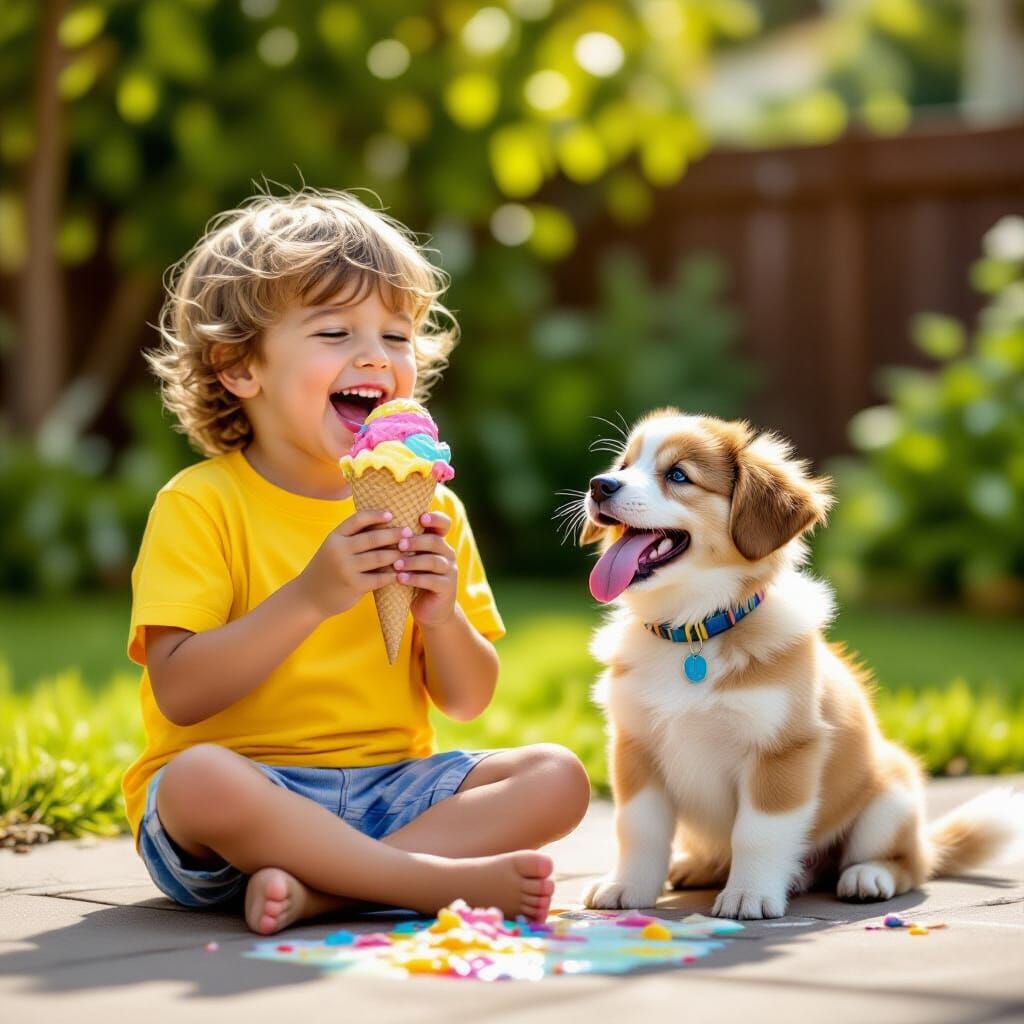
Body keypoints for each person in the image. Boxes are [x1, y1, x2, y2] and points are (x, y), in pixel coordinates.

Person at [121, 187, 591, 935]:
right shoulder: (201, 503)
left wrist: (441, 620)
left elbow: (468, 701)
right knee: (195, 781)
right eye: (335, 331)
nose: (375, 355)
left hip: (392, 790)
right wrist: (310, 596)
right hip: (250, 795)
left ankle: (326, 892)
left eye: (397, 337)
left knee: (557, 776)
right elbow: (180, 693)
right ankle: (421, 881)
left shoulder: (433, 506)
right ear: (241, 367)